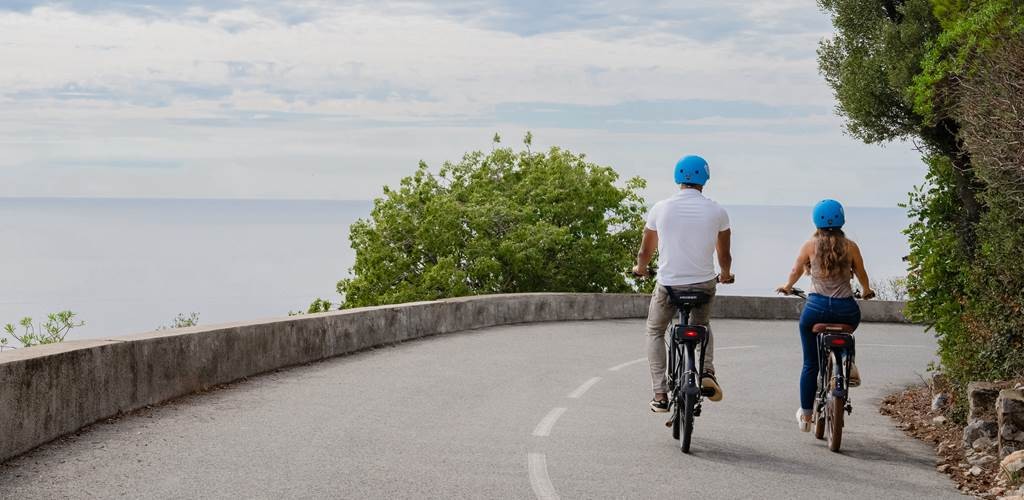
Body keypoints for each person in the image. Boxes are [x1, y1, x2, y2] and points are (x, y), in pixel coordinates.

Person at [633, 155, 733, 413]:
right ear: (705, 179)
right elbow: (724, 256)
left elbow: (645, 251)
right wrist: (725, 273)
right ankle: (707, 370)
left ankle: (660, 394)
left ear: (678, 178)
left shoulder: (661, 208)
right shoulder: (717, 211)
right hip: (703, 286)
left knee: (655, 331)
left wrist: (641, 269)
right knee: (703, 326)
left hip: (669, 287)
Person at [775, 199, 874, 432]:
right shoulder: (850, 247)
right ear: (842, 220)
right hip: (846, 310)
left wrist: (788, 286)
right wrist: (867, 290)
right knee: (850, 330)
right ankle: (847, 362)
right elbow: (862, 274)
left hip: (816, 308)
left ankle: (806, 415)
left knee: (810, 363)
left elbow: (795, 270)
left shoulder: (810, 246)